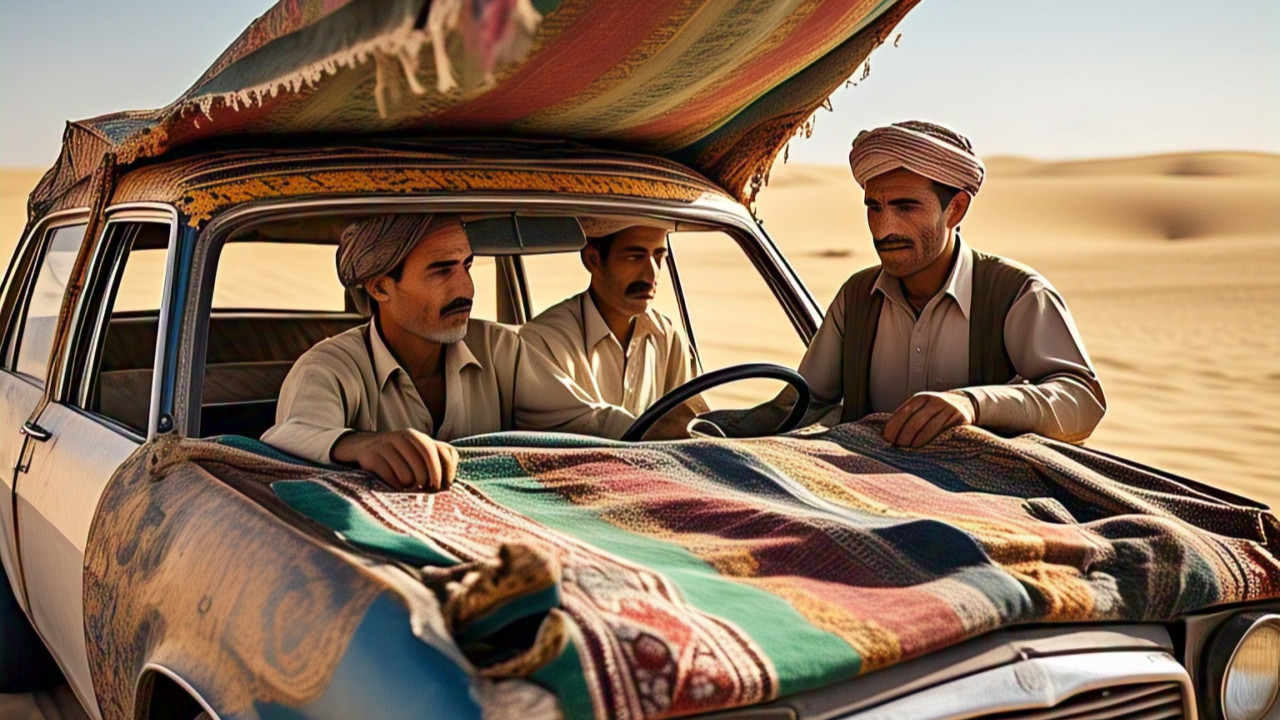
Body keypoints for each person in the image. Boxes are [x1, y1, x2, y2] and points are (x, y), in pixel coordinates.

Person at [756, 121, 1105, 446]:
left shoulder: (1017, 293)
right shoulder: (856, 296)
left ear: (956, 209)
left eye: (905, 207)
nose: (884, 228)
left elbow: (1082, 400)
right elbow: (804, 405)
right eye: (874, 207)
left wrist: (974, 404)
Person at [261, 214, 640, 492]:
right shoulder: (330, 367)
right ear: (380, 288)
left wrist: (657, 428)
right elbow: (289, 439)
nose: (466, 289)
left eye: (467, 266)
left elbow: (589, 422)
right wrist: (359, 445)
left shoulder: (499, 348)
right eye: (441, 270)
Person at [520, 223, 699, 419]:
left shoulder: (668, 337)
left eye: (658, 257)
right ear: (592, 260)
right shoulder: (545, 341)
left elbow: (688, 422)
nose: (651, 274)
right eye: (634, 257)